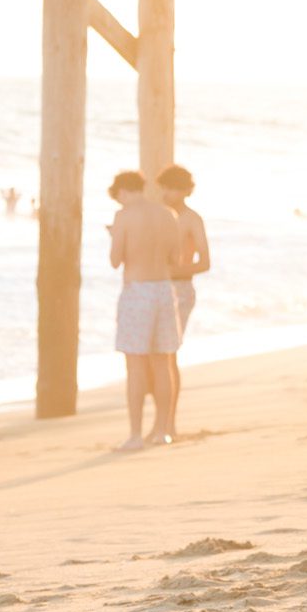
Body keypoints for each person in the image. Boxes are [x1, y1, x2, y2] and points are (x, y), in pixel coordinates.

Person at [108, 170, 187, 451]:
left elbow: (115, 260)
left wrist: (114, 235)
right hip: (164, 289)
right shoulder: (168, 215)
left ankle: (135, 434)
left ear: (123, 192)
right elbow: (174, 258)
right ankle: (164, 430)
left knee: (136, 364)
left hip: (138, 290)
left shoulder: (124, 217)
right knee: (162, 361)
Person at [156, 164, 211, 435]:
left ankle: (169, 425)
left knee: (168, 355)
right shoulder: (158, 215)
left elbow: (205, 263)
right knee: (155, 356)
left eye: (174, 188)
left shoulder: (191, 219)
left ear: (187, 190)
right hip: (155, 288)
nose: (168, 193)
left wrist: (171, 271)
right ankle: (160, 424)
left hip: (180, 289)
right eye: (165, 187)